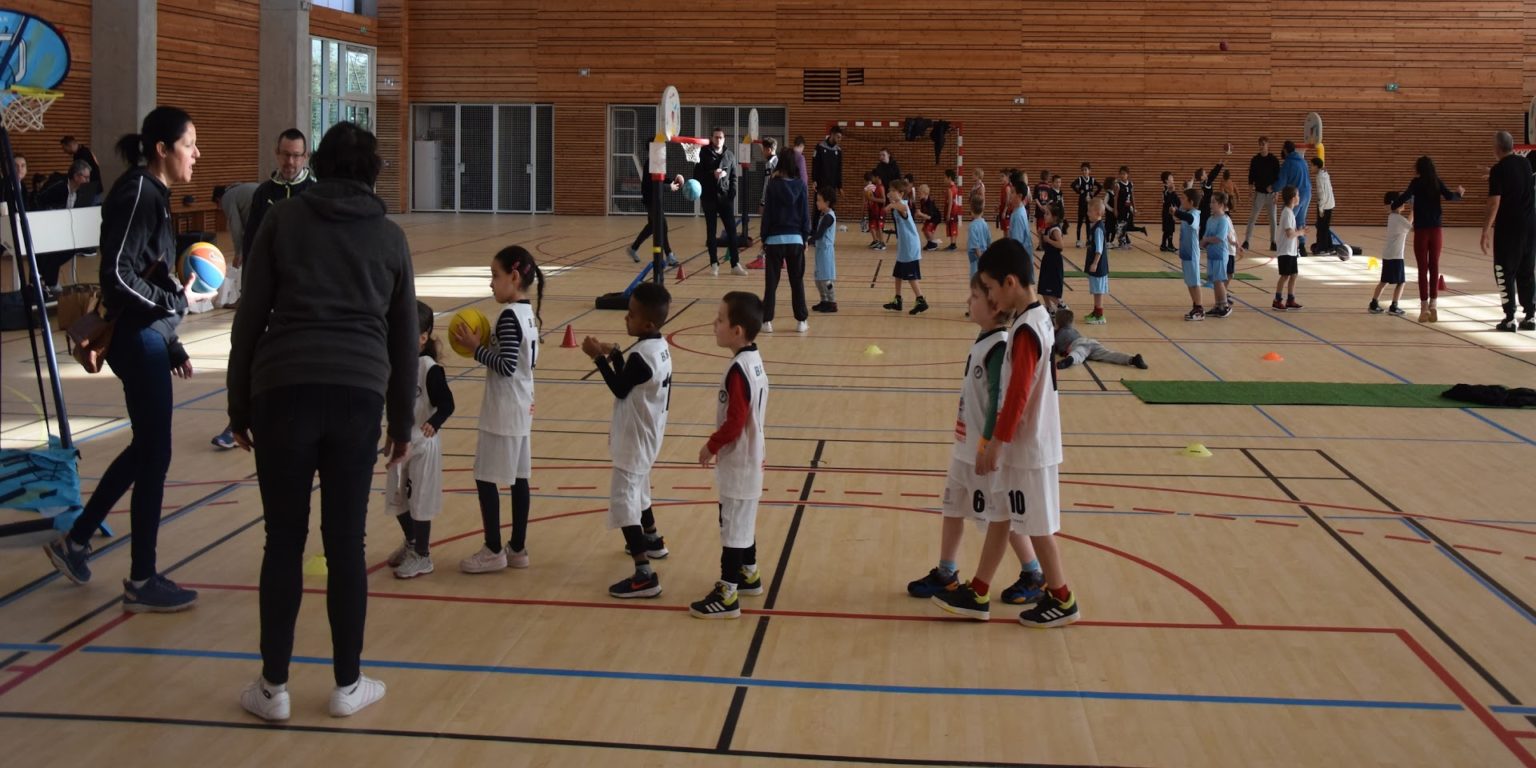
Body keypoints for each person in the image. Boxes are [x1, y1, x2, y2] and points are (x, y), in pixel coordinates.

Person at [227, 121, 418, 721]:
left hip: (281, 388)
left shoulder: (283, 221)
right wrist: (402, 423)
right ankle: (347, 684)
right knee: (345, 543)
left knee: (283, 540)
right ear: (372, 173)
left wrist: (237, 405)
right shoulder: (389, 237)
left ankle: (273, 688)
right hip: (357, 395)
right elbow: (404, 338)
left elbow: (250, 317)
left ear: (321, 165)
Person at [43, 106, 212, 612]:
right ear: (162, 149)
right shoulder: (139, 192)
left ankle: (76, 541)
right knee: (154, 453)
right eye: (189, 144)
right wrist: (174, 303)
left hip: (148, 338)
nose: (197, 154)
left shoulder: (152, 193)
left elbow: (148, 269)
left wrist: (172, 339)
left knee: (146, 449)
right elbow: (118, 275)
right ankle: (141, 579)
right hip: (135, 341)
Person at [913, 274, 1044, 613]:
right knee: (952, 506)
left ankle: (1033, 572)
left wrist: (988, 443)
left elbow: (999, 399)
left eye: (974, 297)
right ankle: (946, 572)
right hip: (963, 447)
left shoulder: (1000, 345)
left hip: (981, 452)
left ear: (994, 305)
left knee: (1000, 517)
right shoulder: (984, 340)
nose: (968, 302)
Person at [974, 238, 1080, 628]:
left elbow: (1018, 395)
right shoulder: (1035, 319)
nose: (989, 296)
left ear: (1011, 282)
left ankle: (1063, 599)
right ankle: (978, 587)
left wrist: (997, 443)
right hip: (1029, 444)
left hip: (1029, 446)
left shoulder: (1025, 330)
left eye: (990, 288)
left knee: (1037, 527)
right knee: (1004, 514)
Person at [213, 128, 316, 450]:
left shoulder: (316, 193)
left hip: (303, 299)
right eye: (285, 154)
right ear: (277, 154)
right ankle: (239, 420)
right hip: (266, 294)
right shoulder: (263, 194)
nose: (290, 162)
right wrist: (250, 292)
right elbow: (253, 244)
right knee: (252, 353)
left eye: (296, 155)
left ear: (305, 157)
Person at [454, 245, 544, 574]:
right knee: (519, 479)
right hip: (522, 405)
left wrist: (475, 348)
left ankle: (493, 550)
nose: (491, 283)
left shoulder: (508, 316)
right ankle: (517, 548)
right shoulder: (527, 314)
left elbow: (505, 366)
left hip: (504, 409)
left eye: (495, 275)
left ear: (514, 277)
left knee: (485, 477)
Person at [585, 282, 675, 598]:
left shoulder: (640, 356)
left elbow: (620, 388)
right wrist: (614, 353)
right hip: (649, 433)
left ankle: (643, 574)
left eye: (632, 314)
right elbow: (632, 379)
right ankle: (651, 538)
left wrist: (598, 358)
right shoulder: (658, 346)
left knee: (625, 501)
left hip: (635, 439)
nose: (626, 317)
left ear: (647, 324)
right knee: (641, 490)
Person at [692, 291, 770, 619]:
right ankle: (748, 574)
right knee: (743, 522)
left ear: (737, 331)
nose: (714, 324)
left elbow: (735, 421)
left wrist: (711, 445)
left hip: (740, 461)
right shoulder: (754, 360)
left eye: (720, 319)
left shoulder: (738, 369)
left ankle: (727, 594)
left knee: (733, 529)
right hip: (752, 458)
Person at [384, 301, 455, 579]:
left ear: (423, 338)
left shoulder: (429, 368)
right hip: (402, 441)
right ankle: (411, 542)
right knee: (397, 498)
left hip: (424, 445)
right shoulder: (395, 364)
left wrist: (433, 423)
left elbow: (447, 404)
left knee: (420, 501)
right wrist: (391, 433)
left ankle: (423, 556)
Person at [1396, 156, 1463, 323]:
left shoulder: (1416, 183)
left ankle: (1424, 307)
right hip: (1436, 230)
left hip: (1421, 231)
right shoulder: (1436, 182)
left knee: (1422, 269)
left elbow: (1405, 196)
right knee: (1434, 266)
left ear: (1418, 168)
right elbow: (1449, 196)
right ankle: (1433, 304)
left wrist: (1393, 205)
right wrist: (1459, 194)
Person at [1482, 131, 1536, 332]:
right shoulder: (1525, 164)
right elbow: (1517, 182)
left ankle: (1510, 318)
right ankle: (1530, 315)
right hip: (1530, 226)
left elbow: (1494, 203)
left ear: (1496, 148)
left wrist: (1485, 231)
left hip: (1509, 229)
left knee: (1504, 270)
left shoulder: (1499, 170)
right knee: (1527, 270)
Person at [760, 146, 811, 334]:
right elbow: (805, 214)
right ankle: (801, 320)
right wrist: (805, 236)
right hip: (795, 240)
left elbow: (767, 214)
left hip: (774, 240)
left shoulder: (773, 185)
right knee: (796, 282)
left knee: (771, 283)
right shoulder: (801, 185)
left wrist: (764, 237)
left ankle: (766, 321)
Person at [30, 159, 95, 296]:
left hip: (63, 228)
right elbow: (38, 200)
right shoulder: (59, 187)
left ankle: (48, 279)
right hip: (46, 226)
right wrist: (50, 214)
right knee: (53, 252)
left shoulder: (81, 192)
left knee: (72, 248)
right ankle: (49, 281)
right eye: (86, 177)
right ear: (76, 176)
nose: (88, 180)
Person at [692, 127, 746, 276]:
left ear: (724, 139)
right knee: (711, 231)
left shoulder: (730, 155)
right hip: (709, 198)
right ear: (711, 138)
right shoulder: (703, 153)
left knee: (732, 231)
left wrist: (731, 194)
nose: (718, 140)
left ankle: (735, 264)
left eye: (721, 137)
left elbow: (734, 177)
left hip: (725, 199)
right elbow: (697, 176)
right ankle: (714, 264)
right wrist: (712, 175)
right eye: (716, 137)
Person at [626, 156, 682, 267]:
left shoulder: (657, 161)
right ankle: (669, 255)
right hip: (651, 200)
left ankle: (633, 248)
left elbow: (661, 179)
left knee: (652, 226)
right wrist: (669, 187)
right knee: (662, 225)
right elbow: (654, 184)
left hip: (655, 199)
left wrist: (673, 181)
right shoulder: (651, 163)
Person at [883, 178, 928, 314]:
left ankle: (921, 300)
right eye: (890, 190)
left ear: (901, 193)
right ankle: (898, 300)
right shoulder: (897, 203)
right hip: (904, 246)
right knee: (898, 273)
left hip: (910, 245)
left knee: (910, 276)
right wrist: (891, 202)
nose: (890, 192)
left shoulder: (902, 205)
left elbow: (904, 209)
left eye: (893, 191)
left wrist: (891, 205)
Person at [215, 181, 260, 311]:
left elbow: (236, 226)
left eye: (218, 206)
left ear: (218, 199)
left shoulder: (227, 198)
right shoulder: (239, 189)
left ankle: (244, 300)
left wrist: (239, 252)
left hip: (261, 220)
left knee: (249, 259)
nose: (220, 209)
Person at [1054, 308, 1147, 370]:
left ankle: (1069, 360)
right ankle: (1132, 359)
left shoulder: (1058, 333)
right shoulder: (1073, 330)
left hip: (1079, 344)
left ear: (1057, 323)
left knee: (1078, 353)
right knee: (1109, 354)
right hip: (1091, 342)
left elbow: (1054, 347)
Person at [1200, 191, 1240, 318]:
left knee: (1219, 280)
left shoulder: (1223, 220)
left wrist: (1206, 240)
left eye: (1214, 202)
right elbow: (1205, 236)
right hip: (1211, 254)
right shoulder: (1210, 219)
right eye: (1210, 202)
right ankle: (1218, 306)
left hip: (1220, 254)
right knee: (1214, 280)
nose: (1211, 204)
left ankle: (1225, 306)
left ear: (1221, 204)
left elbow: (1219, 238)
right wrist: (1202, 243)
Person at [1370, 193, 1411, 316]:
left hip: (1388, 255)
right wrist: (1416, 210)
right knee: (1401, 282)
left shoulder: (1392, 217)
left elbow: (1407, 224)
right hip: (1396, 256)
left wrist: (1413, 212)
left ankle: (1374, 304)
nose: (1404, 203)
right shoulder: (1399, 219)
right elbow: (1412, 227)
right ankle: (1394, 306)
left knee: (1384, 281)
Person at [1172, 188, 1205, 321]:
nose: (1181, 200)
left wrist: (1177, 212)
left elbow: (1189, 218)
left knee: (1195, 282)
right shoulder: (1187, 212)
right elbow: (1181, 213)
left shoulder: (1194, 214)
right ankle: (1195, 306)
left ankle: (1200, 309)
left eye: (1184, 198)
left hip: (1192, 254)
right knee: (1190, 282)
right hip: (1185, 253)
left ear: (1191, 202)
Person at [1272, 185, 1307, 312]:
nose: (1299, 197)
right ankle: (1277, 300)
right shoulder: (1287, 213)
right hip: (1285, 251)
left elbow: (1292, 233)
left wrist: (1297, 241)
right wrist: (1301, 233)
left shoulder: (1290, 212)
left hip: (1291, 251)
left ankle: (1290, 300)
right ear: (1293, 199)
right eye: (1297, 195)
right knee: (1285, 276)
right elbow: (1289, 234)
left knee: (1294, 275)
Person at [1275, 140, 1312, 255]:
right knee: (1301, 219)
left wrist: (1273, 188)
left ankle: (1288, 246)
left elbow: (1282, 181)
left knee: (1289, 218)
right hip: (1307, 193)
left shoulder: (1288, 163)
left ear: (1285, 150)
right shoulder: (1303, 161)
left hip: (1295, 195)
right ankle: (1302, 246)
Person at [1244, 137, 1280, 250]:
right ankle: (1246, 241)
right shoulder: (1255, 160)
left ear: (1268, 145)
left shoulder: (1273, 160)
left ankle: (1273, 242)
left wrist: (1277, 193)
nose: (1261, 146)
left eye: (1263, 144)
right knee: (1252, 218)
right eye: (1259, 144)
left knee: (1273, 220)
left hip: (1271, 195)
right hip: (1259, 194)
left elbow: (1278, 178)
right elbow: (1251, 177)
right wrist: (1250, 191)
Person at [810, 187, 838, 313]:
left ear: (827, 202)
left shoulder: (829, 217)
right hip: (820, 250)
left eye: (819, 200)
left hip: (826, 251)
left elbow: (819, 234)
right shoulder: (823, 215)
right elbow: (815, 232)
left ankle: (832, 302)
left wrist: (807, 241)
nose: (816, 202)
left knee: (826, 279)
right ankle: (824, 300)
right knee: (818, 278)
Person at [810, 125, 843, 230]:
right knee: (817, 208)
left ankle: (828, 230)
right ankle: (814, 231)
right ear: (832, 134)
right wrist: (814, 180)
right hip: (821, 184)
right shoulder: (820, 147)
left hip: (832, 185)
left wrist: (840, 186)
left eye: (840, 137)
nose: (839, 139)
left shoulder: (838, 151)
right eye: (838, 137)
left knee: (831, 208)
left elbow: (839, 169)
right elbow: (815, 165)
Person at [1037, 201, 1067, 314]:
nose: (1044, 216)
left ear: (1054, 217)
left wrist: (1048, 239)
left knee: (1049, 290)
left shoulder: (1055, 230)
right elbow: (1042, 247)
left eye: (1047, 214)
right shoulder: (1048, 228)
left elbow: (1061, 245)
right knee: (1043, 288)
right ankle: (1050, 309)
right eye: (1045, 213)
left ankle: (1062, 306)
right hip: (1047, 259)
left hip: (1054, 262)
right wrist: (1040, 236)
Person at [1083, 198, 1109, 324]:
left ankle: (1099, 316)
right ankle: (1096, 311)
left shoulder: (1098, 229)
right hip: (1095, 265)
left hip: (1098, 266)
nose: (1087, 213)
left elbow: (1099, 250)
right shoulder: (1094, 227)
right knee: (1095, 290)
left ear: (1098, 212)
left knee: (1098, 291)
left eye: (1090, 211)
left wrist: (1094, 263)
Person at [60, 134, 102, 201]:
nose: (64, 151)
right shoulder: (83, 151)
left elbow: (81, 172)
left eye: (64, 148)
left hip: (91, 189)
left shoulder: (82, 154)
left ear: (69, 145)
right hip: (92, 188)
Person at [1071, 163, 1100, 247]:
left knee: (1088, 222)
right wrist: (1079, 191)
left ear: (1089, 171)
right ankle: (1078, 240)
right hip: (1082, 204)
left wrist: (1094, 194)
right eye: (1083, 170)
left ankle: (1088, 240)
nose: (1084, 171)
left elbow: (1100, 187)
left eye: (1086, 170)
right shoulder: (1080, 179)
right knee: (1080, 222)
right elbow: (1072, 185)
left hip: (1089, 204)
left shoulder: (1092, 180)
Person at [1311, 157, 1335, 254]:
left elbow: (1322, 195)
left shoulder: (1319, 177)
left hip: (1325, 205)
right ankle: (1330, 247)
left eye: (1312, 166)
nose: (1311, 168)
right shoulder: (1325, 174)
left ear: (1316, 166)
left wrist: (1321, 209)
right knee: (1325, 227)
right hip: (1330, 204)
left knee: (1321, 228)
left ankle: (1322, 249)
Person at [965, 193, 990, 278]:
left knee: (975, 281)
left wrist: (981, 260)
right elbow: (989, 243)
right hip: (984, 258)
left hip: (976, 259)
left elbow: (976, 247)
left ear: (971, 209)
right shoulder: (985, 224)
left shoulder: (972, 226)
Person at [864, 171, 887, 250]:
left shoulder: (881, 187)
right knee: (875, 227)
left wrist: (872, 199)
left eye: (873, 177)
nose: (872, 179)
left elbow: (883, 200)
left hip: (880, 210)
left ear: (877, 177)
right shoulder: (875, 187)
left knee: (879, 227)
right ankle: (877, 242)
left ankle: (882, 243)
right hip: (875, 210)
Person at [1159, 171, 1179, 252]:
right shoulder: (1166, 190)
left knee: (1170, 229)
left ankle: (1164, 245)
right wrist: (1172, 192)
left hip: (1172, 212)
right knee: (1168, 229)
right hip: (1167, 213)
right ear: (1166, 180)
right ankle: (1168, 245)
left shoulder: (1171, 190)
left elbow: (1176, 201)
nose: (1173, 179)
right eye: (1171, 178)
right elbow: (1168, 201)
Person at [944, 169, 963, 251]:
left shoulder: (950, 189)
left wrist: (948, 214)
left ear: (949, 178)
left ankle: (953, 245)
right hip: (955, 211)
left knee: (952, 227)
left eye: (945, 177)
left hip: (952, 211)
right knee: (953, 226)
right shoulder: (955, 187)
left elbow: (951, 202)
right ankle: (953, 244)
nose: (944, 179)